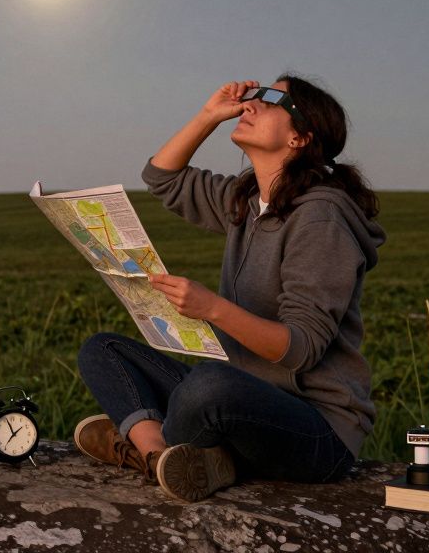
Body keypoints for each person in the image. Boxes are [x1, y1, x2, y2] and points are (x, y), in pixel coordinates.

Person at [73, 75, 386, 503]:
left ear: (300, 137)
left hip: (315, 429)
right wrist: (208, 115)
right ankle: (160, 457)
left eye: (273, 100)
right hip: (242, 402)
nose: (250, 106)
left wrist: (211, 308)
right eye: (253, 96)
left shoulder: (320, 219)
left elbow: (301, 348)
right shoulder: (247, 201)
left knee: (207, 387)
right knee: (102, 349)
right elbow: (161, 177)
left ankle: (145, 442)